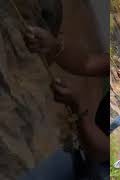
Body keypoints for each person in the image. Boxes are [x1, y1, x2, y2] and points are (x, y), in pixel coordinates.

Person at [19, 0, 109, 179]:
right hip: (88, 146)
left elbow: (102, 152)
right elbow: (87, 62)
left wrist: (78, 109)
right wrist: (54, 47)